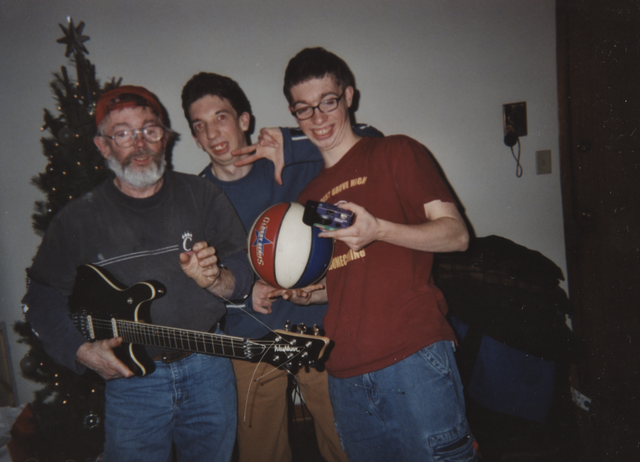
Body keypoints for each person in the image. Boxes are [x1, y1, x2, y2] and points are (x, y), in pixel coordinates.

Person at [255, 48, 479, 462]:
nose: (318, 118)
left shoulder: (395, 152)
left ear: (349, 96)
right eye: (304, 109)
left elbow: (457, 235)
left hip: (412, 357)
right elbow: (340, 277)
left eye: (328, 102)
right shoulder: (307, 199)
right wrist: (309, 292)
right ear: (293, 112)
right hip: (343, 372)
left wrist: (379, 230)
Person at [21, 85, 253, 461]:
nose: (140, 143)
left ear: (165, 137)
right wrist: (80, 351)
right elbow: (41, 295)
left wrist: (217, 279)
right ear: (103, 145)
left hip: (209, 369)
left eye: (149, 129)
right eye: (124, 133)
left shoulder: (203, 195)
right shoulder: (77, 218)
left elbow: (242, 268)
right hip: (131, 382)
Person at [181, 72, 381, 462]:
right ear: (194, 136)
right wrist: (242, 295)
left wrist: (291, 144)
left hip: (318, 330)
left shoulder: (290, 166)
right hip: (248, 340)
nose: (212, 133)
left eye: (221, 117)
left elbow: (370, 138)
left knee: (348, 445)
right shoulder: (196, 199)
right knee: (261, 453)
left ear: (244, 120)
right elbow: (196, 283)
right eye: (199, 126)